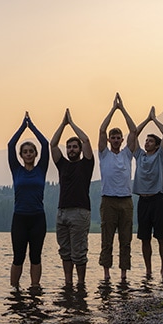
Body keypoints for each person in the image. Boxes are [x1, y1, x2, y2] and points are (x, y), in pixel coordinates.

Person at [50, 108, 94, 287]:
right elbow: (52, 145)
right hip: (62, 213)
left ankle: (81, 283)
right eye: (69, 147)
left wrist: (72, 124)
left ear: (80, 149)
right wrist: (63, 124)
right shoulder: (62, 164)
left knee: (79, 252)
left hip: (80, 212)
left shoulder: (86, 164)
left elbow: (86, 140)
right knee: (65, 251)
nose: (71, 149)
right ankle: (68, 283)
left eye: (74, 147)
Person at [98, 93, 137, 282]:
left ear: (122, 140)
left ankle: (123, 275)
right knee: (107, 239)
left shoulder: (127, 154)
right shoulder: (104, 154)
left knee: (126, 239)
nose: (114, 139)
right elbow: (101, 130)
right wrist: (113, 109)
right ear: (109, 140)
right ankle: (106, 275)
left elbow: (134, 130)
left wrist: (123, 109)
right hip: (108, 200)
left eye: (117, 137)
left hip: (126, 201)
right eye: (112, 137)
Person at [7, 111, 49, 289]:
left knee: (36, 256)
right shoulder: (16, 169)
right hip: (20, 218)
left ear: (36, 154)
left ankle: (34, 287)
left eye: (31, 151)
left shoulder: (41, 169)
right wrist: (22, 127)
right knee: (18, 256)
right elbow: (10, 145)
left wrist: (32, 127)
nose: (28, 154)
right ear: (21, 155)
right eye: (25, 152)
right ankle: (14, 289)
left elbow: (45, 144)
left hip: (38, 218)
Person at [133, 106, 163, 280]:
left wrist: (154, 120)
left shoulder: (161, 156)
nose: (146, 143)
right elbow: (133, 136)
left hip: (157, 200)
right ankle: (148, 270)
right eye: (146, 140)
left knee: (161, 237)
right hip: (143, 200)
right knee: (144, 238)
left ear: (156, 145)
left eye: (149, 141)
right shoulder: (140, 155)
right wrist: (146, 120)